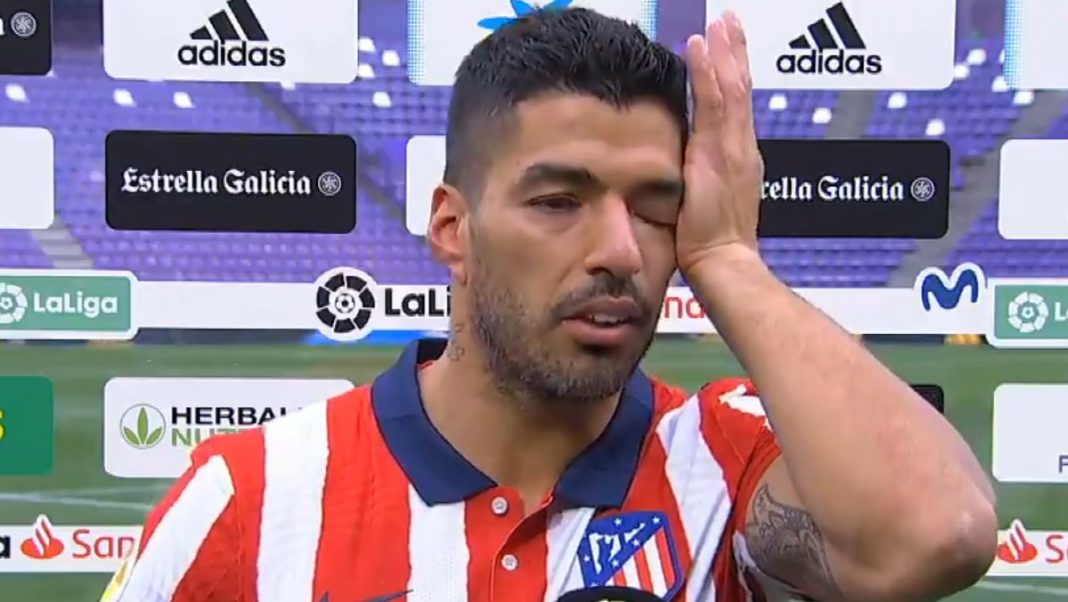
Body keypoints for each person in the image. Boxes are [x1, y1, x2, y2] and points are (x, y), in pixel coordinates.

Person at [99, 7, 997, 602]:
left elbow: (939, 533)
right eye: (560, 201)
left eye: (656, 207)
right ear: (452, 227)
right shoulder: (254, 496)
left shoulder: (725, 464)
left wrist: (729, 258)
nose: (620, 250)